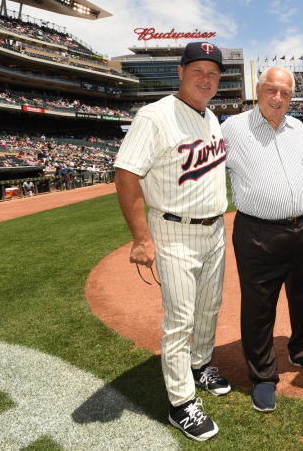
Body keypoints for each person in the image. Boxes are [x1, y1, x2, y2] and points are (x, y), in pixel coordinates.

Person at [114, 42, 231, 442]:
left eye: (213, 73)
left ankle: (199, 366)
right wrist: (140, 239)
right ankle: (181, 404)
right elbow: (126, 174)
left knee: (209, 306)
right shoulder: (155, 116)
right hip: (174, 231)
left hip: (214, 228)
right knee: (179, 320)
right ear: (180, 72)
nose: (206, 78)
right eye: (198, 70)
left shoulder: (211, 117)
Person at [223, 67, 303, 413]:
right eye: (271, 90)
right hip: (258, 231)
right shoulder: (232, 128)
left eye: (285, 93)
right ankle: (263, 376)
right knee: (259, 305)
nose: (278, 98)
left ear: (292, 97)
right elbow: (208, 169)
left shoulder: (298, 128)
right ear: (257, 90)